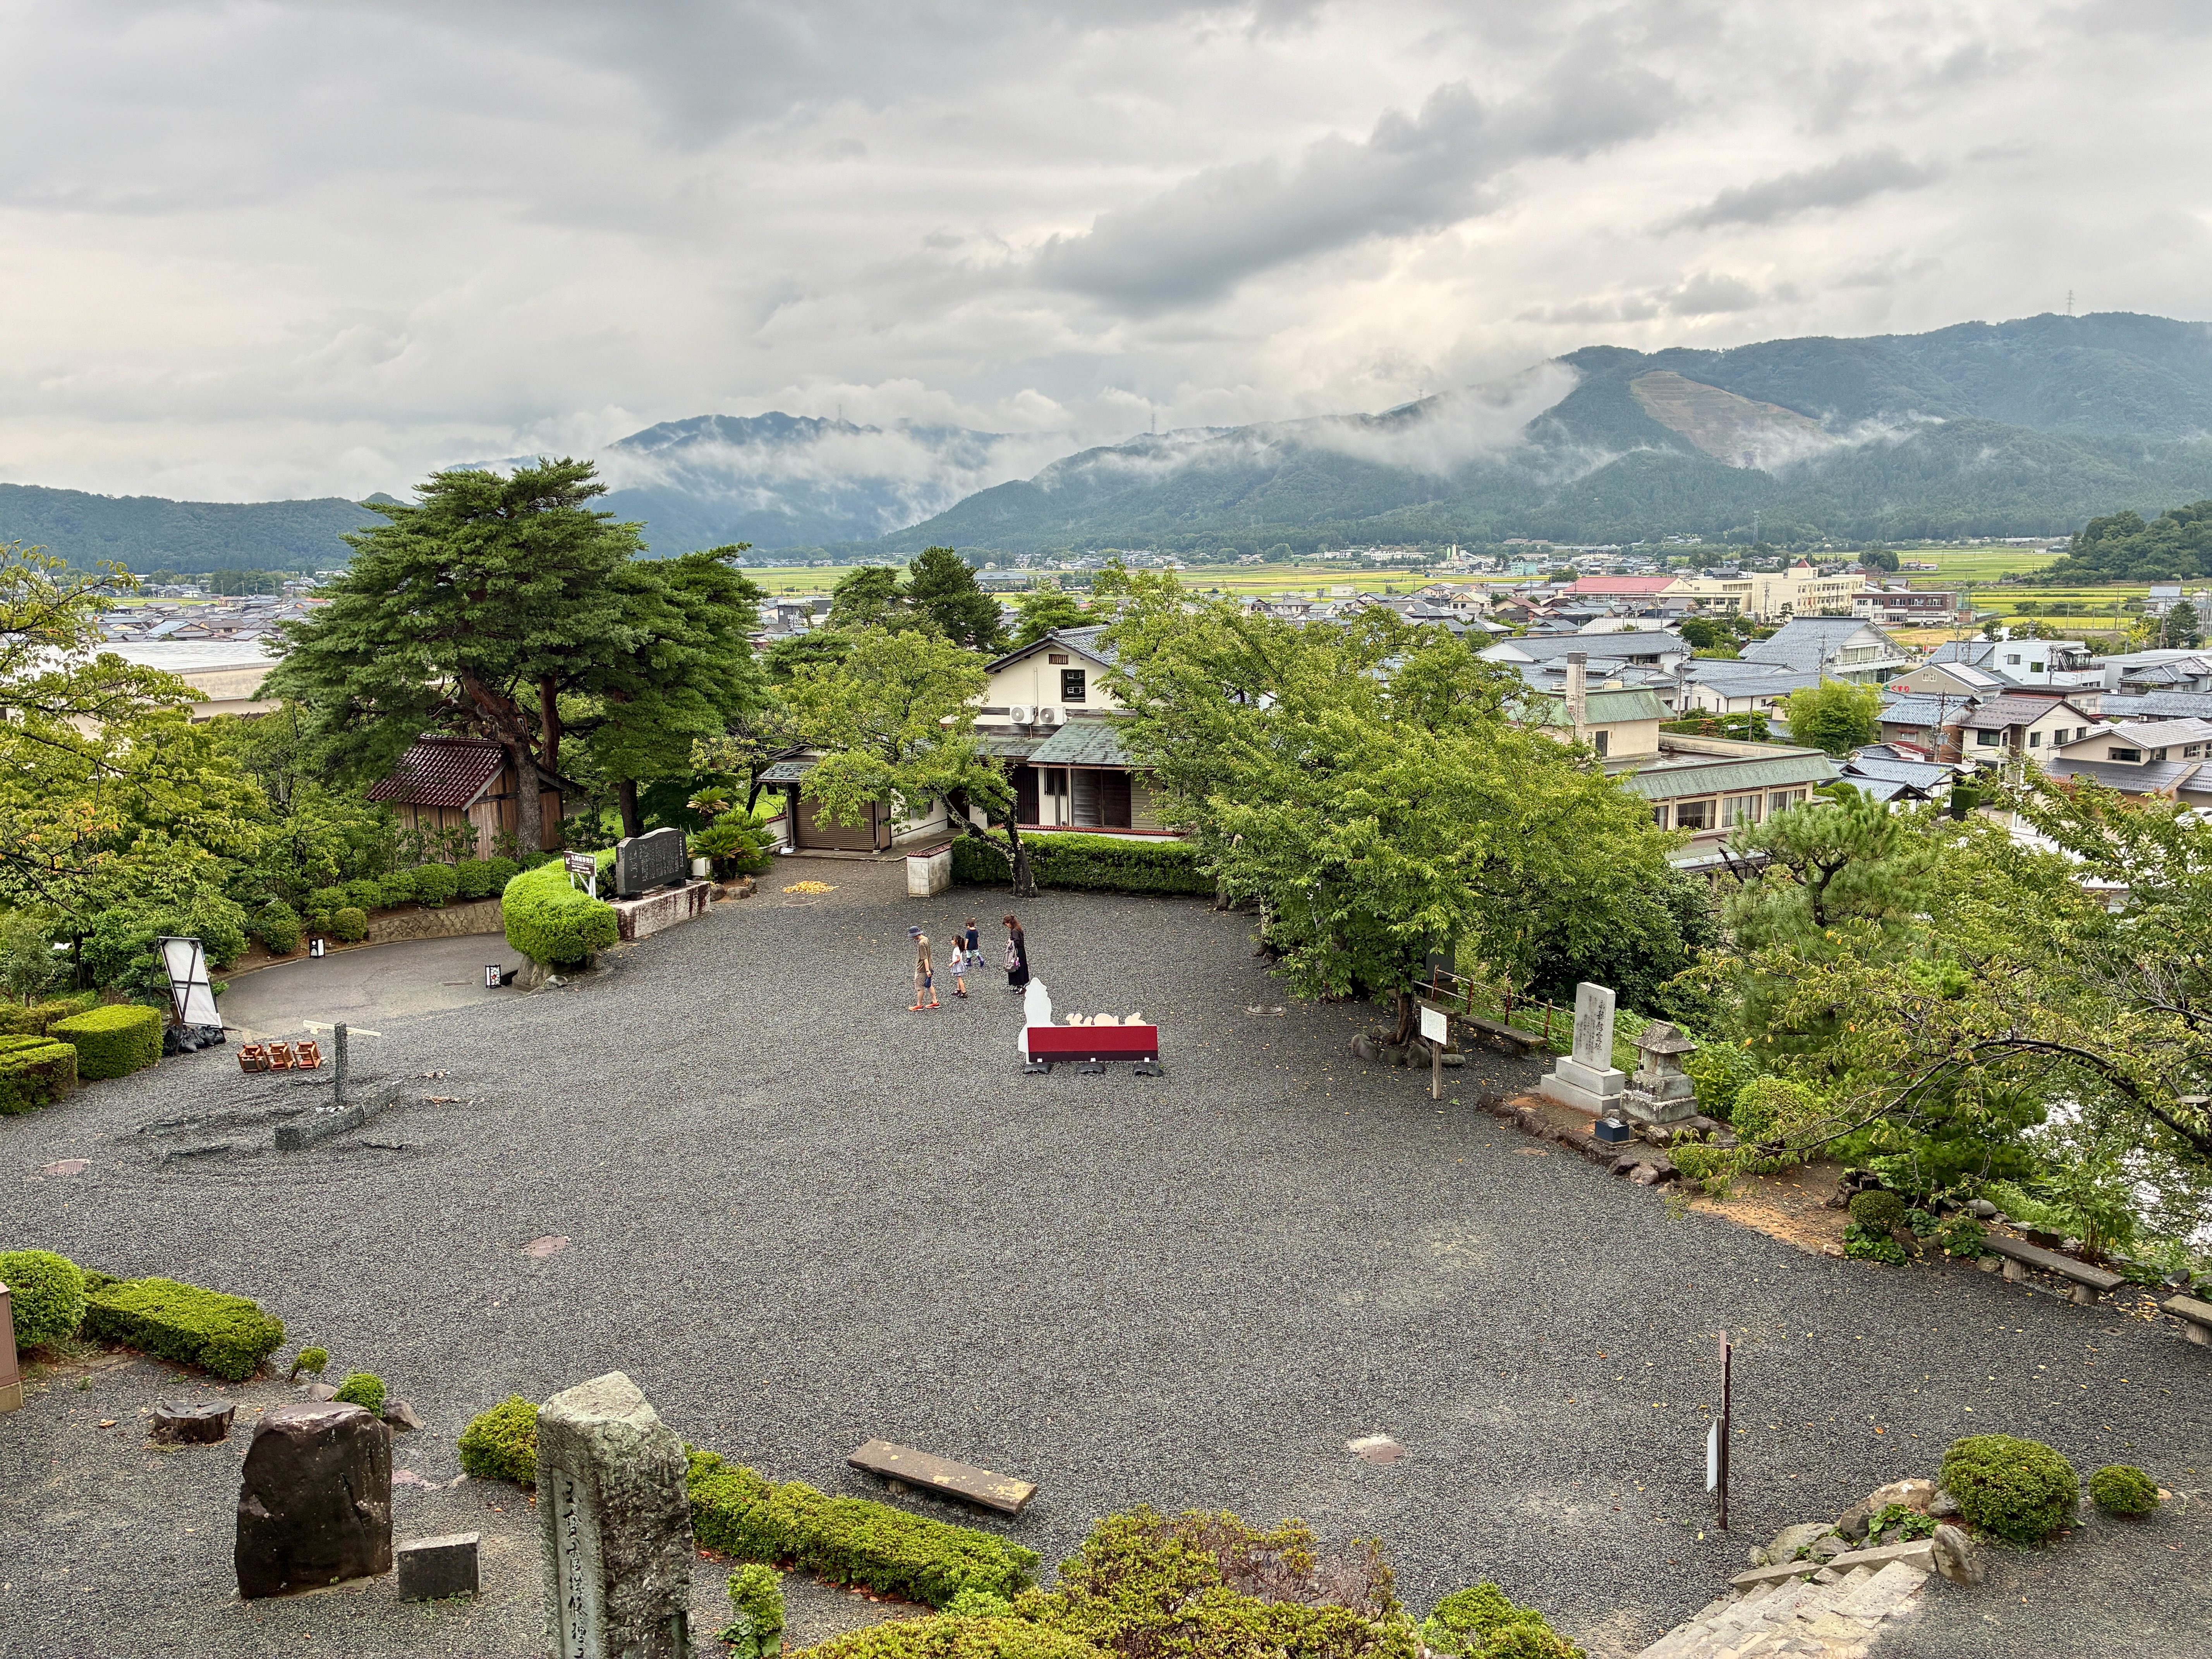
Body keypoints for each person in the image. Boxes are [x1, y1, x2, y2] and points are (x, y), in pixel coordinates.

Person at [909, 926, 939, 1012]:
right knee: (929, 984)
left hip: (922, 969)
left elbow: (924, 957)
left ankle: (919, 1005)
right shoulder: (926, 939)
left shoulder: (921, 944)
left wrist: (927, 970)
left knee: (920, 987)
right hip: (929, 966)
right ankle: (935, 1001)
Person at [1003, 913, 1028, 991]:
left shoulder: (1015, 931)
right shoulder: (1018, 929)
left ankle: (1020, 985)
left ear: (1010, 923)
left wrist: (1011, 942)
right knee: (1020, 967)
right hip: (1021, 951)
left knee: (1017, 967)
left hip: (1017, 952)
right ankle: (1020, 984)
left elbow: (1017, 941)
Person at [950, 921, 970, 998]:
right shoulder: (959, 948)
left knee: (959, 978)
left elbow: (958, 959)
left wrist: (952, 963)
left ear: (956, 942)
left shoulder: (957, 949)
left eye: (953, 940)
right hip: (959, 964)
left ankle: (964, 991)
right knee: (958, 977)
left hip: (958, 964)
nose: (951, 941)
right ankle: (959, 989)